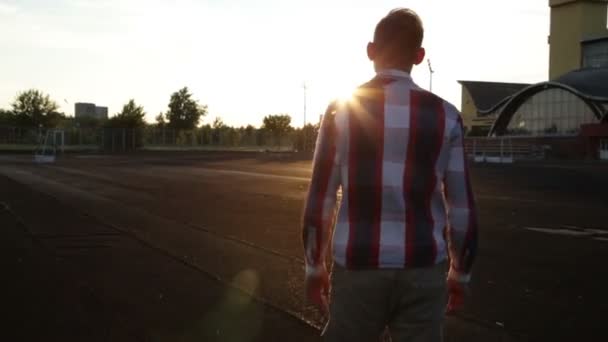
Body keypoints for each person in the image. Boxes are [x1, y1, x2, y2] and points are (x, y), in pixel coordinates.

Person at [301, 8, 478, 342]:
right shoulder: (447, 116)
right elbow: (462, 206)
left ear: (370, 51)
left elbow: (321, 197)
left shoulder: (341, 110)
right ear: (419, 55)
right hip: (425, 266)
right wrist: (461, 272)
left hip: (359, 264)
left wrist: (314, 265)